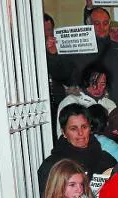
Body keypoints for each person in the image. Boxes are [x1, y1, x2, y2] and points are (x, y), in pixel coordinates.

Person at [69, 7, 118, 109]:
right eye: (97, 24)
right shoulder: (79, 51)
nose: (101, 27)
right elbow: (67, 77)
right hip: (89, 113)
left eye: (105, 23)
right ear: (89, 26)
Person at [38, 104, 117, 198]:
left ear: (90, 128)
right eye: (73, 129)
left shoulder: (106, 160)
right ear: (64, 132)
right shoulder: (52, 166)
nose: (80, 133)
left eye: (84, 127)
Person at [57, 63, 117, 137]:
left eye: (102, 84)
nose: (97, 88)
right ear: (86, 82)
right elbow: (62, 135)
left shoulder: (110, 104)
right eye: (93, 83)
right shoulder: (70, 102)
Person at [44, 13, 73, 144]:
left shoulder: (60, 48)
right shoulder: (25, 49)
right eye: (43, 29)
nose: (46, 33)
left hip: (57, 101)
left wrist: (53, 55)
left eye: (49, 30)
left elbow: (65, 76)